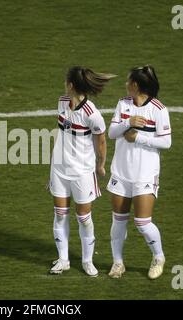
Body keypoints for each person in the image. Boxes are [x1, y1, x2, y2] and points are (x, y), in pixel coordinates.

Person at [49, 66, 116, 276]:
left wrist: (100, 165)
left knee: (84, 217)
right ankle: (63, 259)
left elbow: (102, 141)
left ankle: (88, 261)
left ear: (71, 85)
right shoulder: (61, 102)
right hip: (59, 170)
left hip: (82, 173)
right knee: (60, 215)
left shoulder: (92, 114)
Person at [107, 65, 172, 279]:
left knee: (143, 222)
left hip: (145, 173)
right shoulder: (123, 104)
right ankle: (118, 263)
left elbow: (166, 142)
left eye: (128, 81)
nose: (125, 85)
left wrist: (139, 137)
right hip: (121, 172)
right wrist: (128, 122)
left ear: (136, 85)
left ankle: (158, 256)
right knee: (119, 220)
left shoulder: (158, 109)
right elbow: (112, 132)